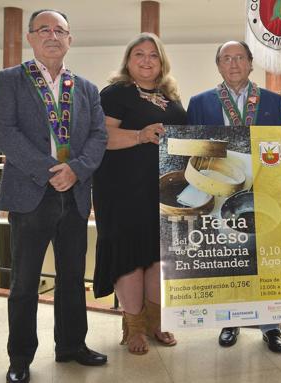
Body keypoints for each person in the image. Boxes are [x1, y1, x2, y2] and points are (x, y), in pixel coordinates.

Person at [0, 9, 108, 383]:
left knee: (73, 278)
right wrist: (49, 170)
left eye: (60, 30)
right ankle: (20, 357)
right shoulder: (10, 80)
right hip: (30, 193)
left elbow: (99, 136)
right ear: (31, 37)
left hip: (74, 195)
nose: (52, 35)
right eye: (44, 29)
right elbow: (4, 133)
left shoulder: (86, 88)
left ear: (70, 39)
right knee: (24, 282)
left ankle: (72, 345)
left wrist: (76, 170)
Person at [186, 40, 281, 353]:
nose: (234, 63)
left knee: (265, 256)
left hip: (266, 188)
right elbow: (191, 146)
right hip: (223, 187)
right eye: (226, 58)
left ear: (251, 63)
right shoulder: (199, 102)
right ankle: (229, 321)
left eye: (240, 57)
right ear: (218, 66)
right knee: (229, 254)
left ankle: (272, 326)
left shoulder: (271, 100)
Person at [92, 33, 186, 355]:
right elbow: (101, 137)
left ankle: (155, 323)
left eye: (153, 55)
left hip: (163, 193)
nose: (146, 60)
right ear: (128, 61)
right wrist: (140, 135)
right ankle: (133, 328)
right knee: (130, 258)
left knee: (158, 259)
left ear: (162, 63)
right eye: (139, 55)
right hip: (121, 192)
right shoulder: (115, 94)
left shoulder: (171, 99)